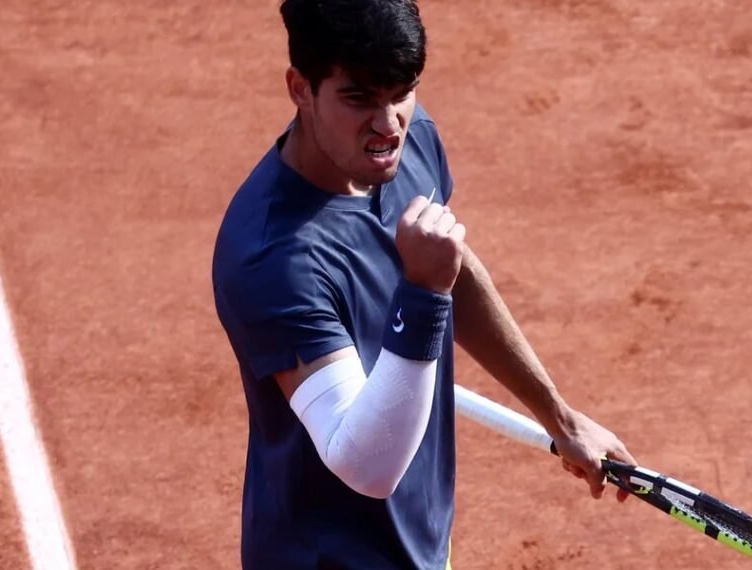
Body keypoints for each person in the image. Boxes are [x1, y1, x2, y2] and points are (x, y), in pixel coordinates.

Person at [211, 0, 636, 568]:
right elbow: (367, 467)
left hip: (422, 540)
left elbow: (450, 270)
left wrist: (559, 415)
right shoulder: (273, 261)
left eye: (401, 92)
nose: (387, 125)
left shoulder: (407, 145)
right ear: (299, 88)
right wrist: (424, 292)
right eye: (358, 97)